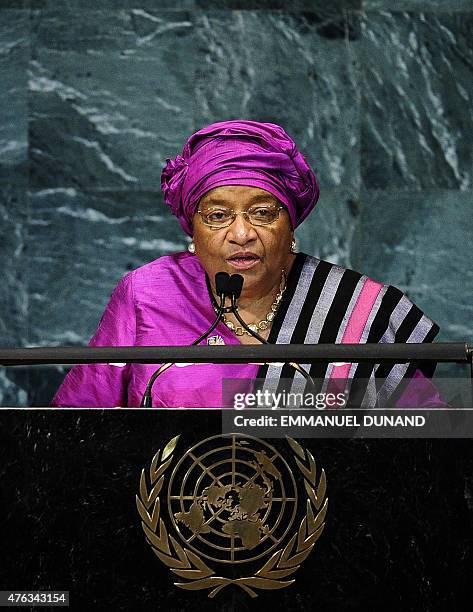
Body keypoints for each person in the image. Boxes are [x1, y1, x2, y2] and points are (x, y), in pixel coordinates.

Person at [51, 120, 443, 408]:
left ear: (290, 226)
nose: (241, 234)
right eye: (218, 216)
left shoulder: (358, 311)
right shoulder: (147, 293)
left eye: (262, 213)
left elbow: (422, 453)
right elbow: (78, 426)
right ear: (193, 231)